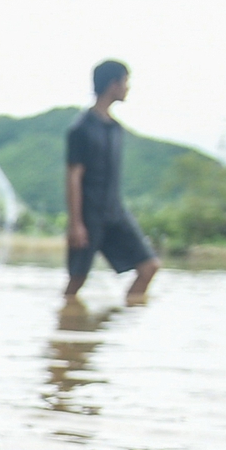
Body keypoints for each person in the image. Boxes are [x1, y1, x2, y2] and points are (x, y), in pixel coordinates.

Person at [65, 60, 160, 304]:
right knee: (77, 279)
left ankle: (112, 323)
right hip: (89, 215)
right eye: (125, 82)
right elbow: (74, 176)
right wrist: (76, 223)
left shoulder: (115, 129)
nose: (128, 88)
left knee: (149, 266)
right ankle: (66, 327)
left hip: (115, 212)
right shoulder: (81, 128)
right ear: (113, 84)